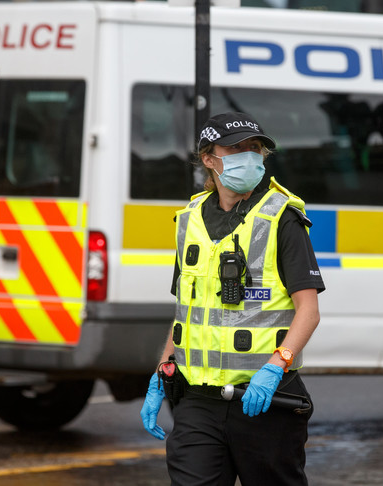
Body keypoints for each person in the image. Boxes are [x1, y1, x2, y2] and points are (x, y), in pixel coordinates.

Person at [140, 111, 325, 485]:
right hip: (197, 403)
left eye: (254, 147)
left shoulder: (282, 217)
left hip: (265, 399)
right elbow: (187, 312)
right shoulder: (189, 219)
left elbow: (308, 310)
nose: (249, 156)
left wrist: (277, 366)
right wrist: (162, 370)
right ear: (208, 159)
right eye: (236, 148)